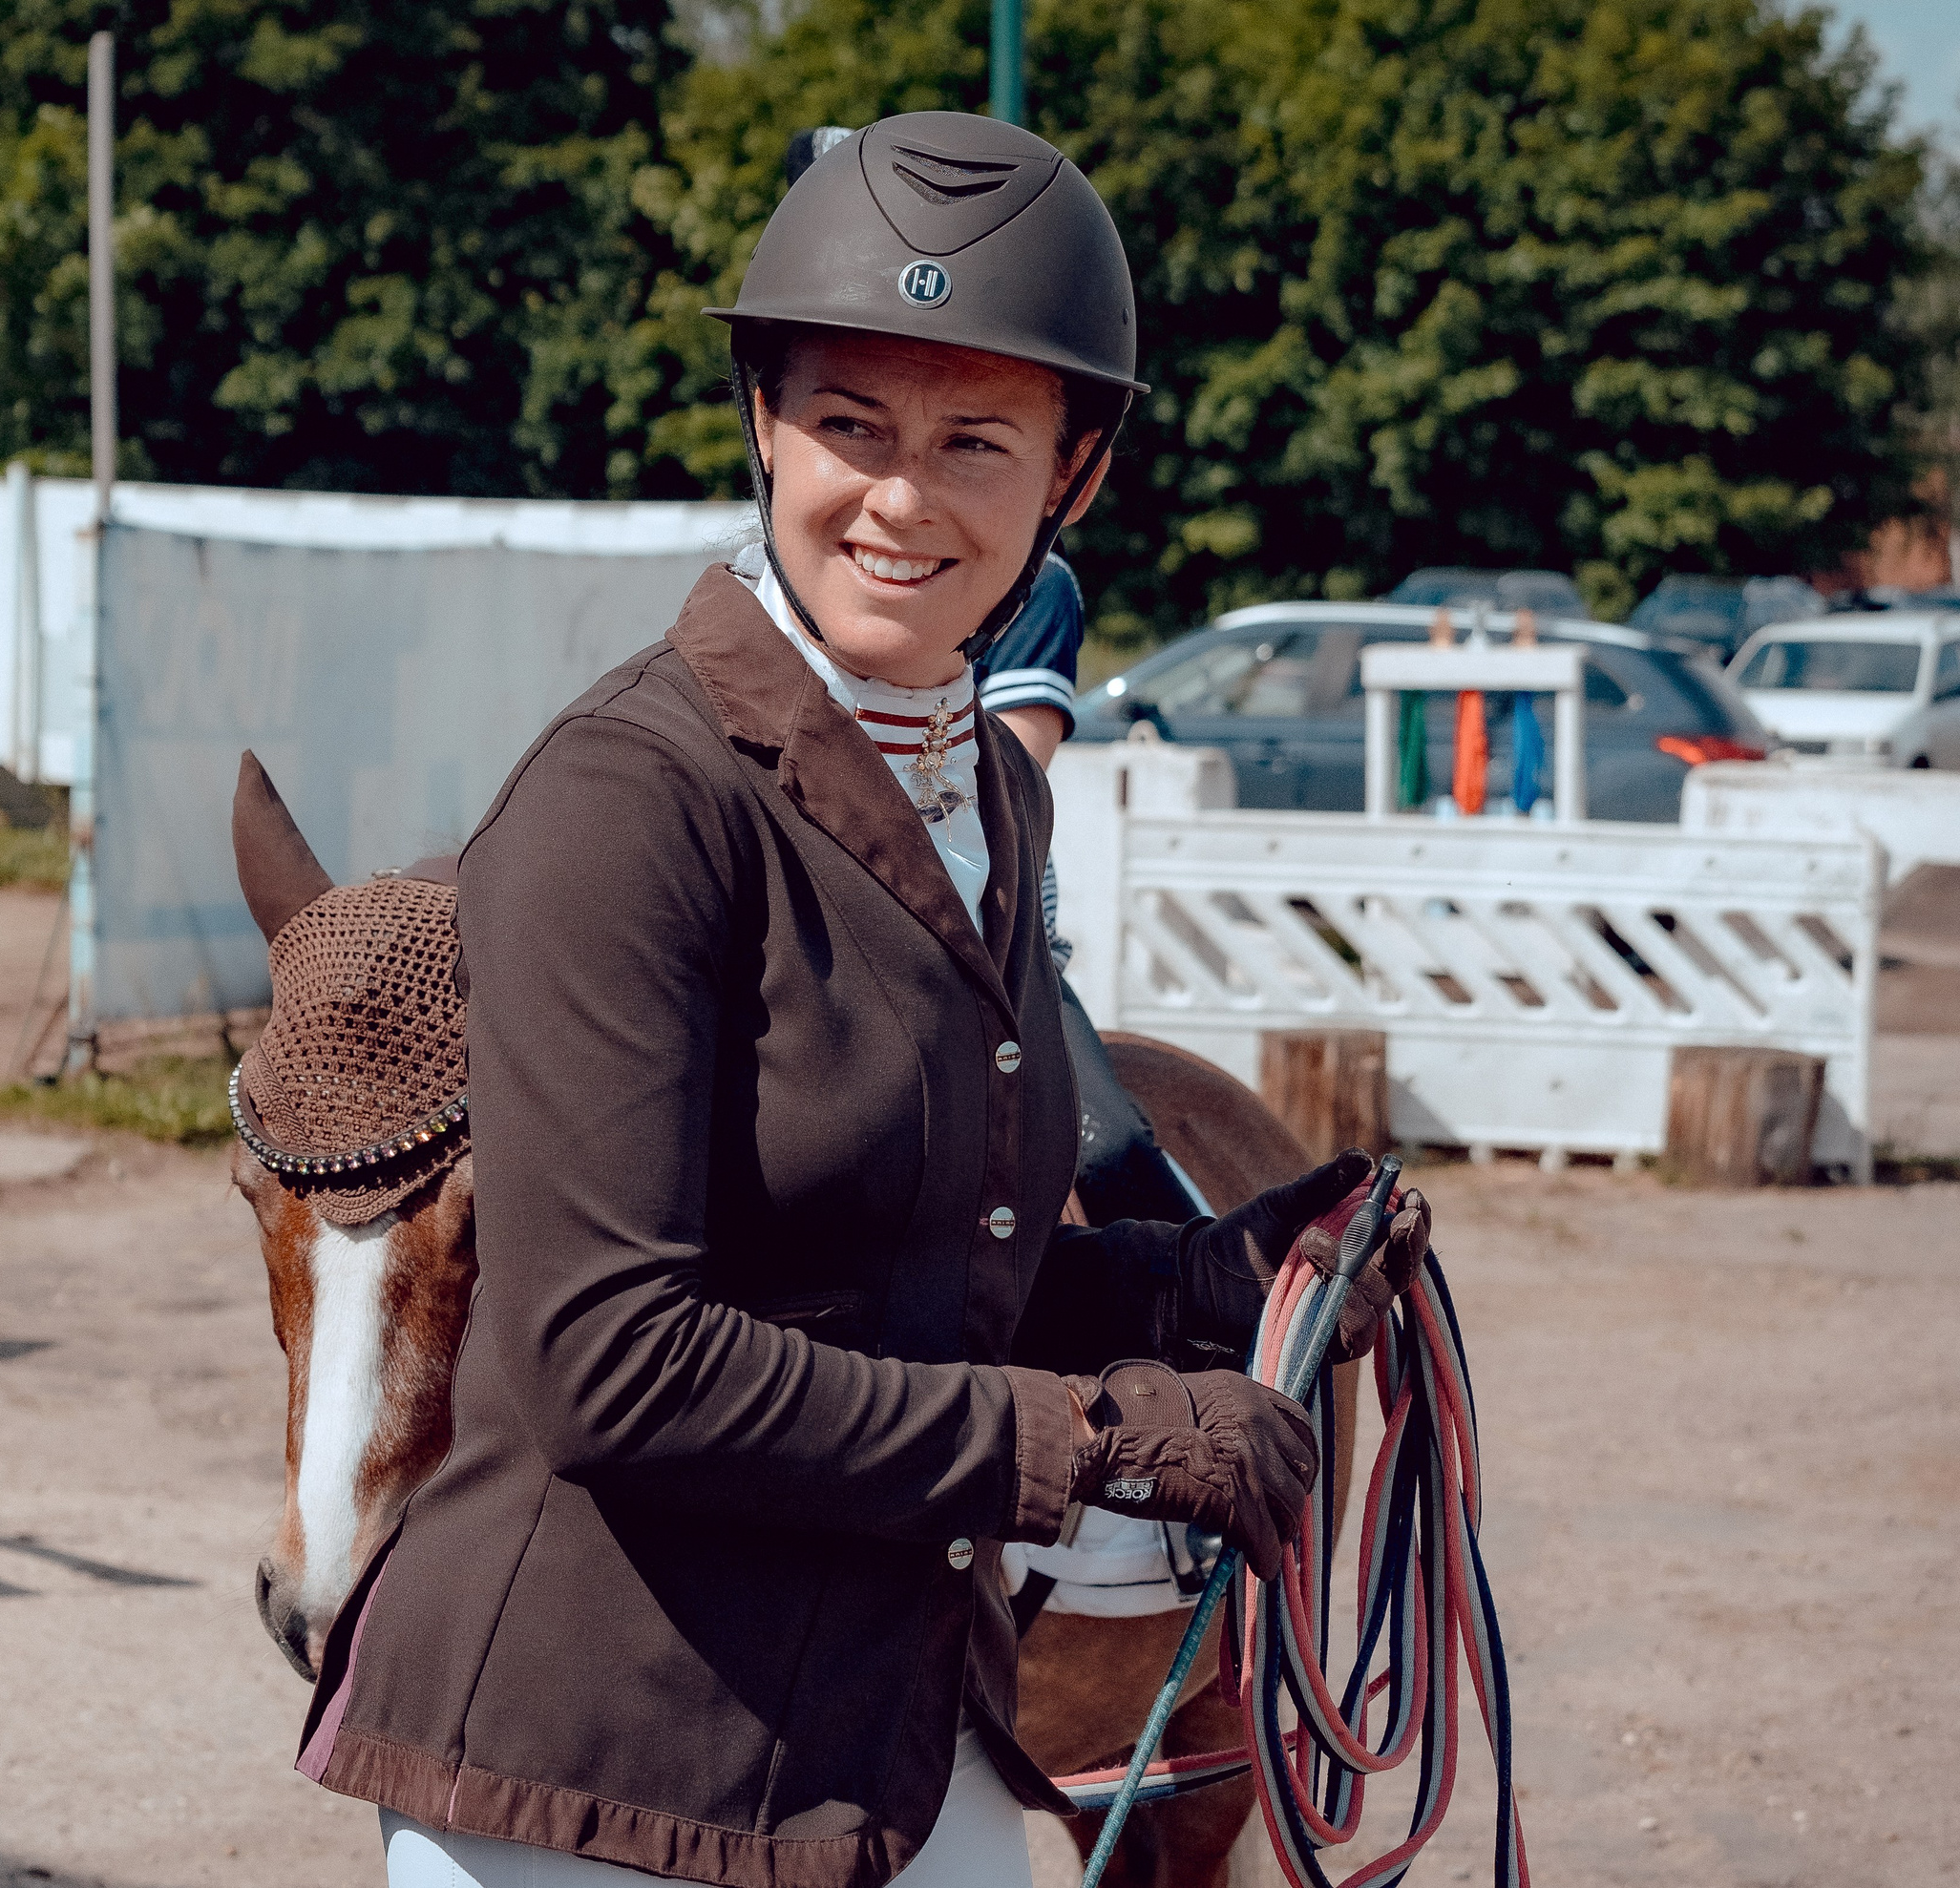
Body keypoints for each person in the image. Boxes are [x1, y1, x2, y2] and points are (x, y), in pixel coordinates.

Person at [290, 112, 1431, 1888]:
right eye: (850, 425)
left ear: (1075, 477)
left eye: (976, 440)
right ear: (764, 425)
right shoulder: (624, 798)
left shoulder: (992, 786)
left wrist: (1207, 1276)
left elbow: (906, 1263)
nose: (902, 497)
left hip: (881, 1724)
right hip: (597, 1757)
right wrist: (1099, 1432)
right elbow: (612, 1364)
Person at [977, 560, 1206, 1231]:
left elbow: (1004, 784)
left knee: (1105, 1149)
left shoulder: (1030, 584)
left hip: (994, 952)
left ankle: (1213, 1311)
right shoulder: (777, 580)